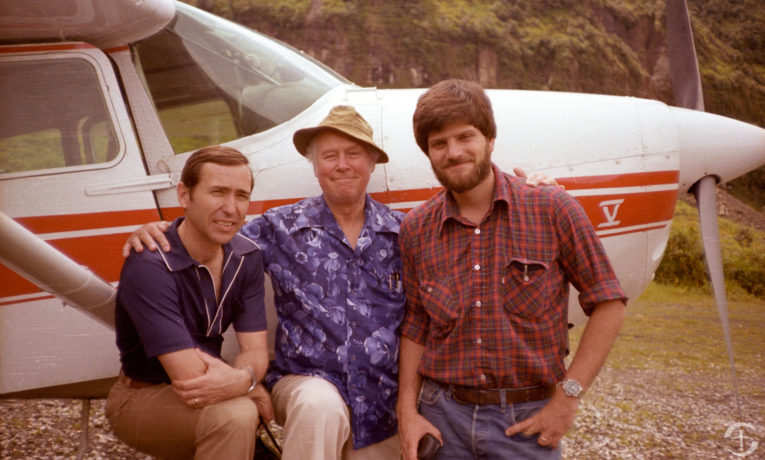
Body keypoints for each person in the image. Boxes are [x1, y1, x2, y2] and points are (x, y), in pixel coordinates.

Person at [123, 105, 555, 459]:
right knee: (319, 406)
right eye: (329, 155)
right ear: (315, 167)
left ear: (372, 163)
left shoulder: (409, 232)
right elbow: (211, 230)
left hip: (386, 406)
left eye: (353, 153)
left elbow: (473, 243)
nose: (342, 164)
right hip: (307, 387)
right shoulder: (276, 228)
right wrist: (154, 229)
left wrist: (530, 191)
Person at [395, 79, 627, 460]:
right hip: (442, 421)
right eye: (439, 143)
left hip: (526, 423)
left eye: (464, 137)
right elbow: (417, 324)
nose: (453, 152)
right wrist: (407, 411)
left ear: (490, 139)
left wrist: (568, 399)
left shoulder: (551, 208)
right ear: (428, 153)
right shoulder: (417, 229)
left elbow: (609, 303)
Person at [105, 145, 270, 460]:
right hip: (141, 399)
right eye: (218, 192)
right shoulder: (150, 265)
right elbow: (190, 379)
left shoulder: (247, 256)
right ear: (184, 195)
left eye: (241, 195)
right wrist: (248, 384)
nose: (231, 208)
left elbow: (255, 351)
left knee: (238, 414)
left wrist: (243, 380)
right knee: (236, 415)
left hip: (214, 396)